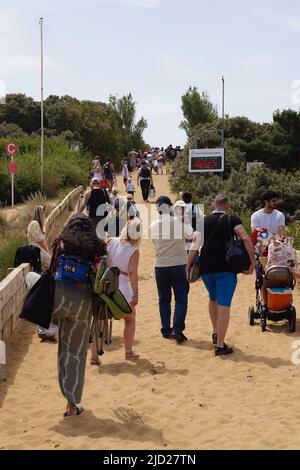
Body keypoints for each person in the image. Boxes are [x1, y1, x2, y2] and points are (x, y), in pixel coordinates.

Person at [52, 214, 107, 416]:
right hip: (82, 303)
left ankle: (65, 394)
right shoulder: (95, 247)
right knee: (76, 353)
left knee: (62, 349)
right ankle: (71, 404)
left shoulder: (61, 244)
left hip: (59, 300)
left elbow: (51, 268)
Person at [187, 195, 255, 356]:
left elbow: (195, 245)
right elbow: (244, 237)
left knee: (213, 299)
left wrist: (188, 265)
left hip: (206, 268)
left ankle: (216, 331)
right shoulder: (232, 220)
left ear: (213, 206)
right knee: (224, 305)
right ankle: (219, 345)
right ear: (228, 206)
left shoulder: (203, 222)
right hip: (226, 267)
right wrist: (252, 261)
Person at [91, 218, 141, 362]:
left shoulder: (110, 241)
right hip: (122, 288)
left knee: (98, 321)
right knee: (130, 319)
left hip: (104, 285)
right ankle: (128, 352)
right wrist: (136, 294)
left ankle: (94, 357)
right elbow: (132, 273)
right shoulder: (134, 251)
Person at [150, 196, 194, 343]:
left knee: (163, 299)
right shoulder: (179, 223)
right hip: (178, 264)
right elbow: (191, 235)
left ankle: (165, 329)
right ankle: (177, 329)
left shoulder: (153, 225)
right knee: (181, 298)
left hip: (160, 265)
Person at [27, 205, 51, 271]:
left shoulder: (35, 224)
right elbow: (40, 241)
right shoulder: (35, 224)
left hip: (37, 249)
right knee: (50, 262)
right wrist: (47, 251)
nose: (44, 215)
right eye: (43, 213)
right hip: (36, 250)